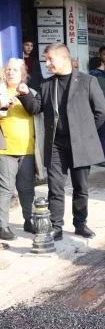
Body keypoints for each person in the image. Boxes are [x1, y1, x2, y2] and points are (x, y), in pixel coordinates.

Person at [17, 43, 105, 241]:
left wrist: (86, 133)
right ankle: (56, 226)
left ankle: (80, 224)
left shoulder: (88, 81)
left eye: (50, 59)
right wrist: (24, 94)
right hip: (56, 144)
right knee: (55, 187)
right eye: (46, 60)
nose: (47, 63)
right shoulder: (47, 84)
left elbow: (102, 111)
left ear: (63, 58)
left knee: (80, 187)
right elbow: (35, 108)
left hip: (80, 144)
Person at [0, 59, 45, 240]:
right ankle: (3, 226)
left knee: (27, 189)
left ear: (22, 74)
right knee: (5, 189)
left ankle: (29, 220)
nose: (11, 72)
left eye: (15, 70)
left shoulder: (30, 91)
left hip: (27, 149)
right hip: (5, 149)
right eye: (8, 69)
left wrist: (25, 95)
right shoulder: (1, 92)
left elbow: (36, 111)